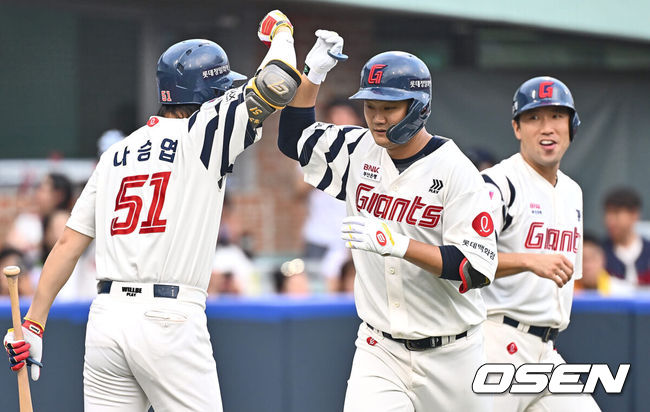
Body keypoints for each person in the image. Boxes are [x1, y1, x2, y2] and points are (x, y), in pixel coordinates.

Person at [3, 10, 301, 411]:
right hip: (169, 317)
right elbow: (277, 83)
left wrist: (35, 322)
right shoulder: (205, 133)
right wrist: (282, 35)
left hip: (107, 317)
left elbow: (70, 241)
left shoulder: (116, 153)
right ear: (206, 97)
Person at [278, 30, 497, 411]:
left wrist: (399, 246)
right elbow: (293, 139)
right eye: (370, 107)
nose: (377, 119)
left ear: (419, 106)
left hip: (454, 353)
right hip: (380, 350)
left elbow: (475, 268)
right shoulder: (358, 148)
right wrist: (313, 72)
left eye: (389, 107)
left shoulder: (457, 171)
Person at [481, 76, 600, 411]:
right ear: (517, 128)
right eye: (534, 118)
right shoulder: (498, 185)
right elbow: (461, 262)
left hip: (546, 350)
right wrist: (527, 260)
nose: (547, 128)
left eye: (556, 116)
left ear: (572, 125)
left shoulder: (573, 191)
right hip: (495, 340)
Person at [294, 98, 362, 291]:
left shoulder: (369, 152)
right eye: (334, 118)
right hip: (319, 236)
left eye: (345, 117)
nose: (340, 122)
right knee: (315, 293)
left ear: (358, 121)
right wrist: (326, 161)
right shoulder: (314, 149)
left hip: (356, 237)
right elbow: (298, 191)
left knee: (355, 291)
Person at [602, 187, 650, 286]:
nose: (610, 220)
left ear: (634, 215)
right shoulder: (600, 253)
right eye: (607, 213)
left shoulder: (647, 250)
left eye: (616, 213)